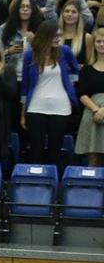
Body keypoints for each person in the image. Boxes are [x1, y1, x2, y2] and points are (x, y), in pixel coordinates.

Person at [21, 20, 79, 165]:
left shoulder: (65, 51)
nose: (58, 38)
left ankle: (53, 184)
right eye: (55, 35)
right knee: (36, 150)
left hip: (61, 108)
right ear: (45, 36)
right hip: (36, 107)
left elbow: (76, 70)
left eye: (59, 35)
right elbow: (25, 85)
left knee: (55, 150)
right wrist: (23, 113)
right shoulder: (30, 55)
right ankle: (36, 182)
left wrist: (69, 84)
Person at [74, 28, 104, 167]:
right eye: (98, 41)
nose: (102, 44)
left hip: (100, 112)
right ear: (94, 44)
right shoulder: (87, 69)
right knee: (93, 155)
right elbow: (82, 94)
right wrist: (96, 110)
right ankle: (94, 187)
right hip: (92, 113)